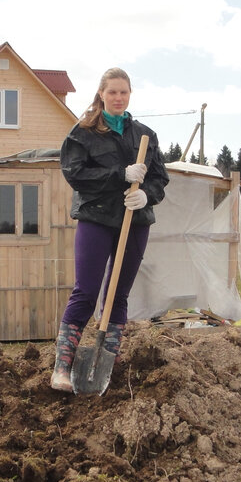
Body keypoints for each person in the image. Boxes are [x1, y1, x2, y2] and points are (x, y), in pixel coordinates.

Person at [51, 66, 169, 392]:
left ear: (130, 95)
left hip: (135, 221)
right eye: (112, 91)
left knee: (118, 295)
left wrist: (147, 195)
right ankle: (62, 367)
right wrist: (121, 175)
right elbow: (75, 175)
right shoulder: (83, 133)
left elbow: (159, 179)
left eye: (124, 92)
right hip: (96, 218)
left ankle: (108, 365)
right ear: (101, 94)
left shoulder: (145, 134)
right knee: (86, 291)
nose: (118, 97)